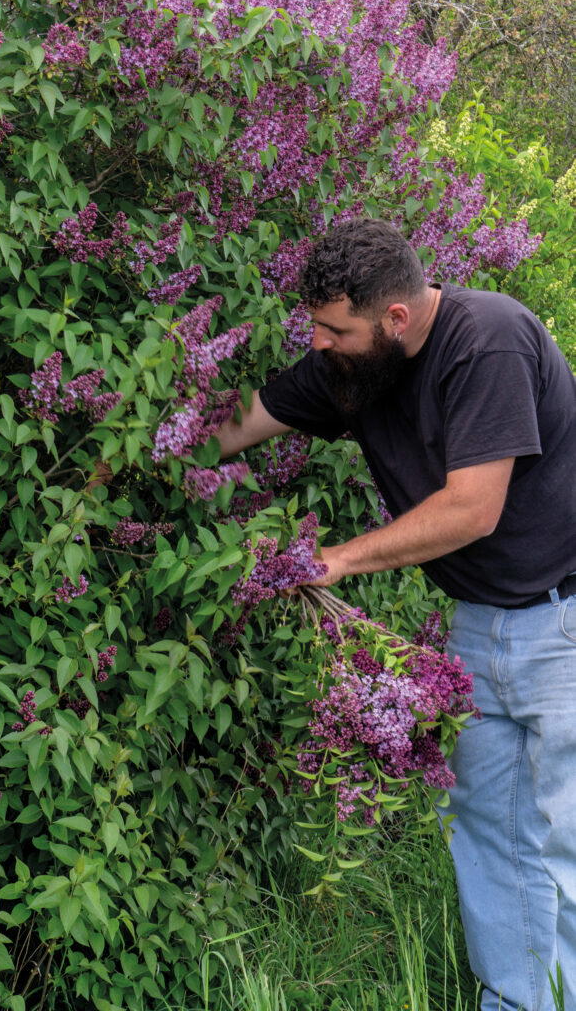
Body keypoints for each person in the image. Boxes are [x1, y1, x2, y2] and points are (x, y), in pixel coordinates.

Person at [213, 218, 576, 1011]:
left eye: (332, 327)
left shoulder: (489, 339)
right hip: (478, 627)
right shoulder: (353, 368)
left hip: (564, 625)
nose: (315, 342)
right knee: (489, 841)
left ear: (395, 319)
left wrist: (333, 559)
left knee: (568, 842)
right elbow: (237, 426)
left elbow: (471, 510)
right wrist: (121, 449)